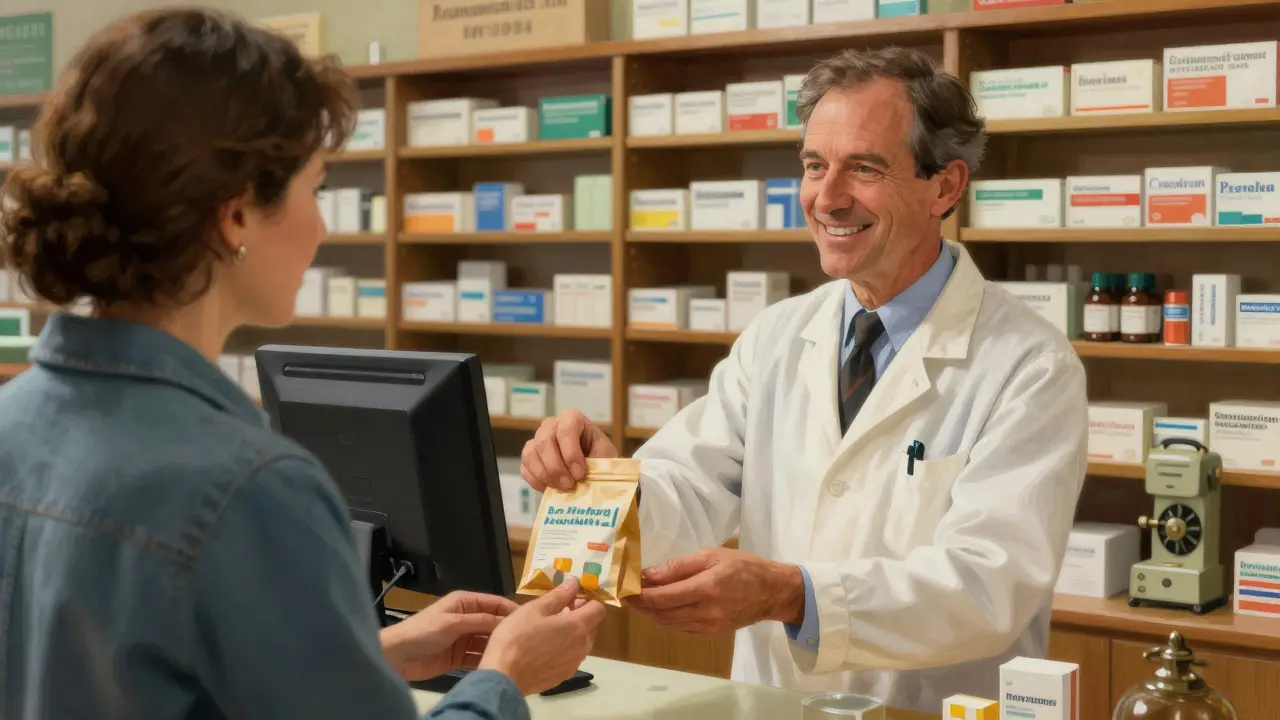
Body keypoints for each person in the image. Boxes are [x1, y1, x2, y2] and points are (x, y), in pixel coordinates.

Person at [0, 9, 603, 720]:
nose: (323, 225)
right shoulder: (249, 489)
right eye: (314, 188)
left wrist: (367, 657)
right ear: (235, 218)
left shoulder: (15, 423)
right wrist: (502, 679)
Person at [521, 47, 1088, 711]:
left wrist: (791, 593)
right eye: (815, 166)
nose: (827, 197)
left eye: (864, 168)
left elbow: (991, 586)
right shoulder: (778, 337)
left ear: (945, 186)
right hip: (772, 703)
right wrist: (609, 485)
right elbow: (692, 485)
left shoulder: (1029, 365)